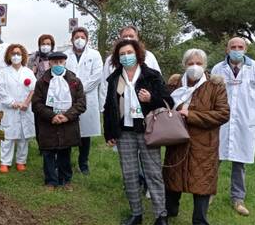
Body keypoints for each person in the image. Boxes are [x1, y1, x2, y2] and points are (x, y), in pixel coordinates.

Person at [103, 39, 174, 225]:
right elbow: (109, 108)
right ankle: (136, 213)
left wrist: (150, 99)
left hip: (148, 130)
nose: (126, 56)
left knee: (153, 173)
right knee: (129, 174)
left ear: (137, 53)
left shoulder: (152, 75)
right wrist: (110, 134)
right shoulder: (114, 78)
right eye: (122, 53)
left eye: (129, 52)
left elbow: (169, 101)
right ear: (118, 57)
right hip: (124, 132)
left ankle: (161, 217)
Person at [163, 49, 230, 225]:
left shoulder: (215, 86)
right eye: (191, 63)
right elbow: (164, 104)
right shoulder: (174, 83)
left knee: (202, 183)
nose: (194, 67)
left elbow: (223, 113)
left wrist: (192, 115)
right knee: (173, 176)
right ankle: (170, 210)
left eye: (199, 63)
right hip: (176, 138)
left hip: (204, 143)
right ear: (184, 65)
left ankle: (200, 224)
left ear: (205, 66)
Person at [100, 25, 161, 197]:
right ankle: (135, 183)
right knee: (129, 157)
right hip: (123, 117)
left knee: (148, 155)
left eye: (131, 36)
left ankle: (150, 186)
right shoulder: (111, 60)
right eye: (124, 36)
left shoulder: (149, 57)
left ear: (137, 37)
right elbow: (106, 86)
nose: (128, 39)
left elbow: (158, 83)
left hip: (145, 117)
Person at [211, 37, 255, 216]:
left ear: (245, 49)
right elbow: (211, 95)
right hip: (221, 121)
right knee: (214, 159)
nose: (236, 49)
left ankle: (238, 199)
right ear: (227, 50)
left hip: (244, 121)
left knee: (240, 162)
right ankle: (208, 192)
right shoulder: (218, 69)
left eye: (240, 47)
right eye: (233, 47)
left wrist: (249, 115)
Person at [32, 51, 86, 191]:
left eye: (60, 62)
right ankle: (50, 181)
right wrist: (51, 116)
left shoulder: (74, 81)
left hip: (67, 123)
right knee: (48, 153)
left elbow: (81, 103)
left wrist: (67, 116)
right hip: (47, 124)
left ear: (65, 62)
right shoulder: (41, 82)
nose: (57, 65)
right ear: (49, 63)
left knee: (64, 152)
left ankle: (66, 180)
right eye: (54, 62)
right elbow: (36, 104)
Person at [65, 27, 103, 175]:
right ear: (72, 40)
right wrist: (72, 91)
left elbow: (97, 75)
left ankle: (83, 163)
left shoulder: (94, 55)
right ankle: (65, 162)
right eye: (76, 37)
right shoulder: (66, 55)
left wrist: (80, 89)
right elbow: (63, 74)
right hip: (68, 97)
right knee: (67, 130)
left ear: (87, 39)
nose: (79, 39)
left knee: (85, 133)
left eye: (82, 37)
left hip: (87, 96)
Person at [0, 44, 36, 173]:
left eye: (18, 53)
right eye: (13, 53)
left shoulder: (28, 72)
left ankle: (21, 161)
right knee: (8, 136)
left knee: (23, 137)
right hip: (10, 109)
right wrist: (14, 103)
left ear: (23, 56)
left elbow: (34, 89)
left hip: (25, 108)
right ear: (9, 55)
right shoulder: (3, 72)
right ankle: (5, 162)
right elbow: (1, 91)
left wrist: (26, 103)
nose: (16, 56)